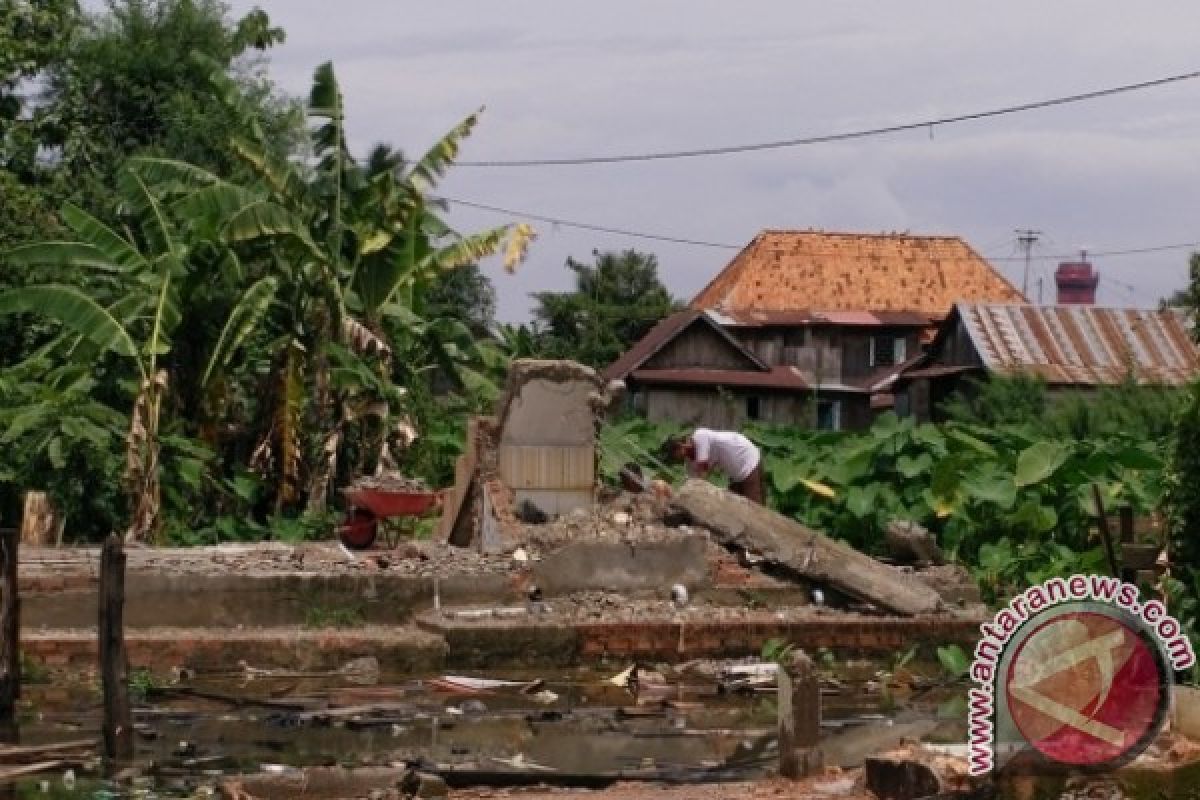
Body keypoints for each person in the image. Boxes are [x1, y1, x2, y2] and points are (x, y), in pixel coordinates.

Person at [664, 428, 765, 504]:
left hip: (747, 459)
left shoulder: (700, 436)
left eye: (677, 453)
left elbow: (702, 474)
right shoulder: (691, 460)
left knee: (754, 505)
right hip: (736, 474)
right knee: (734, 504)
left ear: (680, 446)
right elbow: (694, 478)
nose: (678, 457)